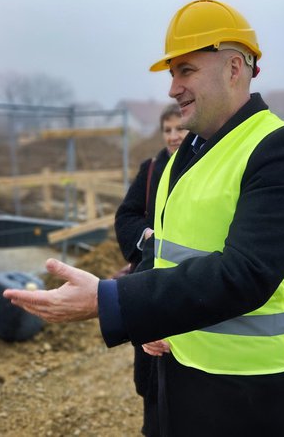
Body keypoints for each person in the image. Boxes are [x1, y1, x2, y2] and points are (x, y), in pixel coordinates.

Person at [4, 0, 284, 436]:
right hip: (179, 373)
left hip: (255, 395)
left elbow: (246, 274)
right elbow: (164, 250)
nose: (172, 88)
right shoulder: (188, 154)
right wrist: (153, 320)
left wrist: (112, 301)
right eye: (172, 73)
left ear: (234, 68)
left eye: (186, 70)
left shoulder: (283, 150)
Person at [114, 103, 187, 436]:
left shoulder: (208, 167)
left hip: (190, 289)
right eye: (167, 130)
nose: (173, 137)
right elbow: (126, 215)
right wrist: (147, 237)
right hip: (150, 284)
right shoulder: (153, 168)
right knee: (152, 373)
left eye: (179, 129)